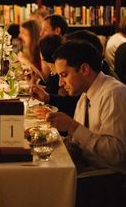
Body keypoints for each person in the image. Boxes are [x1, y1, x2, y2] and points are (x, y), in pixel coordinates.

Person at [35, 40, 126, 173]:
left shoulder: (114, 94)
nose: (60, 83)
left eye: (64, 75)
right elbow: (78, 143)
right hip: (86, 167)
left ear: (84, 69)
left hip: (108, 178)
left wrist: (72, 126)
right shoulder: (85, 95)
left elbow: (115, 154)